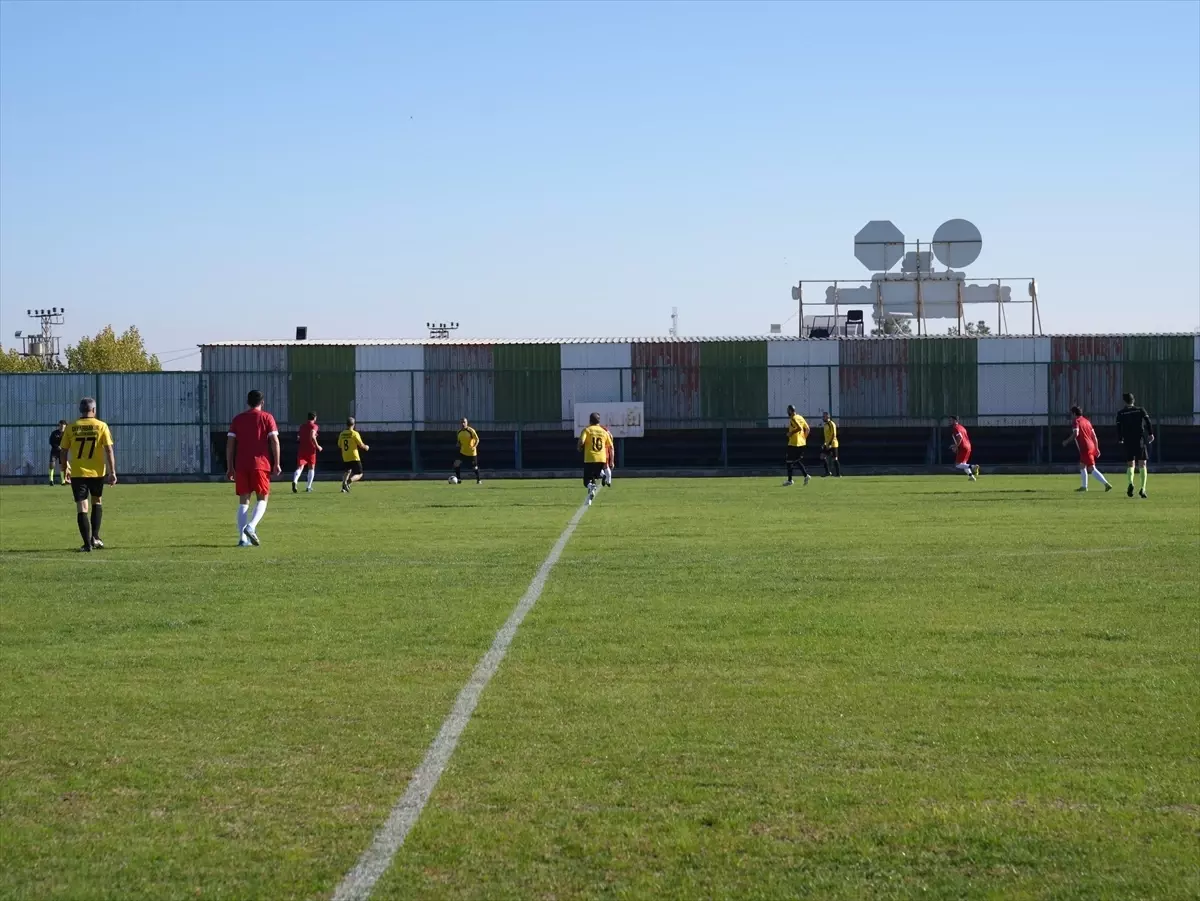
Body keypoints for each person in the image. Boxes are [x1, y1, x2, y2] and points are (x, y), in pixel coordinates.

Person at [61, 398, 116, 551]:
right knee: (97, 501)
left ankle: (87, 544)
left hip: (78, 472)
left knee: (82, 506)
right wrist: (112, 472)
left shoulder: (71, 427)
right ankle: (96, 538)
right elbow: (109, 450)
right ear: (94, 410)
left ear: (80, 410)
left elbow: (64, 451)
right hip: (97, 472)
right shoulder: (101, 426)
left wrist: (64, 470)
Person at [227, 389, 281, 547]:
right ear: (262, 402)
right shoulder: (266, 417)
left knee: (243, 501)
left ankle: (242, 539)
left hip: (242, 464)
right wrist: (277, 462)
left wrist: (230, 467)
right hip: (260, 464)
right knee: (262, 498)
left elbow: (230, 445)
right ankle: (251, 527)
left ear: (247, 402)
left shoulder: (238, 419)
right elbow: (275, 441)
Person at [1062, 405, 1112, 492]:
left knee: (1092, 468)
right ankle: (1084, 487)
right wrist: (1096, 448)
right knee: (1082, 465)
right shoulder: (1087, 421)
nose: (1071, 416)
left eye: (1071, 414)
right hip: (1091, 445)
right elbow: (1094, 436)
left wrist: (1066, 441)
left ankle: (1106, 484)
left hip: (1085, 447)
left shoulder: (1076, 421)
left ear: (1074, 413)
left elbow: (1076, 433)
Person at [1115, 392, 1155, 498]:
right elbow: (1148, 422)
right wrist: (1151, 433)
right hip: (1139, 439)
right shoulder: (1140, 410)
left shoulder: (1121, 413)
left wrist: (1120, 438)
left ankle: (1130, 483)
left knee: (1130, 464)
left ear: (1124, 401)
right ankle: (1143, 488)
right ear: (1134, 400)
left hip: (1128, 440)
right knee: (1142, 464)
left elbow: (1118, 427)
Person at [578, 412, 613, 505]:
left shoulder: (587, 430)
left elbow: (581, 441)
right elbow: (611, 446)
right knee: (593, 479)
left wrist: (579, 447)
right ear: (599, 421)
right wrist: (611, 460)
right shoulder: (604, 431)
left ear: (590, 420)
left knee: (586, 482)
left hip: (590, 458)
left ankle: (590, 487)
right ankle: (589, 499)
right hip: (601, 459)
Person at [292, 412, 322, 493]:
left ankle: (295, 481)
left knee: (300, 467)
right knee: (311, 467)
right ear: (315, 418)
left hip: (302, 448)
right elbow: (312, 435)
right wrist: (317, 446)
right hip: (311, 449)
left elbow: (298, 437)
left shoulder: (302, 426)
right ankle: (308, 487)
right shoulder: (314, 426)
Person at [338, 417, 369, 493]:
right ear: (354, 424)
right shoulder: (354, 433)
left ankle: (343, 487)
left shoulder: (342, 434)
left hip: (345, 456)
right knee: (359, 474)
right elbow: (361, 445)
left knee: (347, 471)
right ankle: (348, 482)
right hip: (354, 456)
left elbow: (339, 445)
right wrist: (366, 447)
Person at [783, 404, 810, 486]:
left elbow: (799, 428)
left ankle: (790, 480)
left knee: (788, 461)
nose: (787, 412)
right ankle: (806, 476)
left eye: (788, 410)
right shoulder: (800, 417)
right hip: (801, 443)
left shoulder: (793, 418)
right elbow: (808, 429)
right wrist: (804, 438)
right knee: (796, 460)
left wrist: (791, 433)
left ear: (790, 411)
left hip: (794, 443)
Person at [949, 416, 978, 481]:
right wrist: (955, 445)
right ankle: (971, 477)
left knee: (958, 465)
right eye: (949, 420)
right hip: (968, 446)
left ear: (956, 421)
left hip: (963, 447)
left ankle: (973, 467)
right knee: (964, 464)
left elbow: (960, 438)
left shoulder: (955, 428)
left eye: (951, 420)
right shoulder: (962, 427)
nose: (950, 421)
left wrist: (956, 446)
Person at [454, 418, 481, 484]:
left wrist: (474, 446)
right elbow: (459, 441)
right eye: (461, 422)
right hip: (463, 452)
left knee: (475, 467)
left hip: (472, 453)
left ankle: (478, 480)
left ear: (467, 423)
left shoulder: (471, 431)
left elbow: (477, 440)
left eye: (464, 422)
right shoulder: (459, 432)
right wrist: (458, 444)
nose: (463, 424)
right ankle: (459, 479)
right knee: (456, 464)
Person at [820, 412, 842, 478]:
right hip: (827, 444)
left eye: (824, 416)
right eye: (823, 416)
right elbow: (827, 436)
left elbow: (833, 434)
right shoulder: (825, 425)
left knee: (835, 458)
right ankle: (827, 472)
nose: (823, 417)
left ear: (828, 417)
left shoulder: (831, 424)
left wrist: (829, 444)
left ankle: (838, 474)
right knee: (822, 457)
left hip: (833, 444)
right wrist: (824, 443)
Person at [48, 419, 68, 485]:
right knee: (52, 464)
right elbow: (51, 442)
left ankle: (63, 481)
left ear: (65, 426)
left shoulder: (67, 434)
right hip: (54, 451)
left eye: (63, 425)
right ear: (59, 425)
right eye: (60, 425)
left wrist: (64, 448)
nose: (62, 426)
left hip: (63, 452)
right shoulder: (54, 433)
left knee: (62, 465)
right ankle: (51, 480)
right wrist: (57, 447)